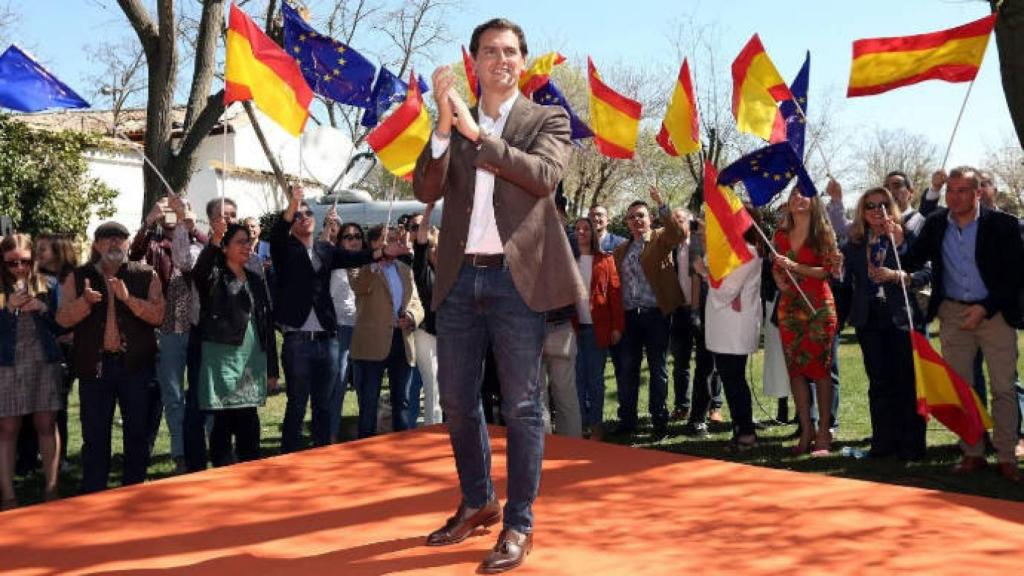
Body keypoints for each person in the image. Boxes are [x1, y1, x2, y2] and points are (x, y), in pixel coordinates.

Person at [414, 17, 581, 572]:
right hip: (459, 279)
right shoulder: (453, 123)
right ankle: (478, 500)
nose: (500, 59)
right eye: (490, 51)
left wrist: (478, 136)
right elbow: (424, 188)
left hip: (518, 282)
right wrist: (443, 127)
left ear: (523, 61)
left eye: (510, 51)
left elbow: (543, 176)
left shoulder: (546, 117)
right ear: (475, 61)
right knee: (458, 401)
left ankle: (519, 522)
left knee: (524, 406)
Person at [903, 166, 1024, 481]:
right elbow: (913, 257)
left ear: (978, 193)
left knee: (1003, 387)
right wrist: (897, 234)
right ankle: (972, 452)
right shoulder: (936, 224)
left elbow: (1015, 277)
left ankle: (1007, 456)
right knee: (961, 387)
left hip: (995, 314)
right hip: (953, 315)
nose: (954, 197)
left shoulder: (1003, 225)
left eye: (962, 191)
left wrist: (984, 308)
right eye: (950, 191)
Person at [270, 189, 404, 452]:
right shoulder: (284, 249)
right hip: (297, 342)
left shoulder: (325, 249)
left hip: (327, 341)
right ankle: (288, 458)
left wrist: (383, 251)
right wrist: (293, 203)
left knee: (324, 404)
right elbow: (277, 231)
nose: (304, 216)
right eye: (298, 214)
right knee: (297, 404)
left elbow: (356, 257)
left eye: (308, 212)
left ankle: (321, 455)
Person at [56, 222, 165, 493]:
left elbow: (158, 316)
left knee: (137, 433)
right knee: (95, 436)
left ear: (128, 244)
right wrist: (85, 303)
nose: (114, 244)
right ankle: (95, 494)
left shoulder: (145, 274)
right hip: (96, 368)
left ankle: (134, 491)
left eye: (120, 239)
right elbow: (61, 319)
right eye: (107, 240)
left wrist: (128, 300)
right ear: (96, 245)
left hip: (136, 367)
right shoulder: (78, 276)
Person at [842, 188, 929, 460]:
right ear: (862, 211)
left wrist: (899, 274)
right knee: (879, 383)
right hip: (869, 319)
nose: (877, 210)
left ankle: (911, 446)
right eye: (870, 205)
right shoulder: (854, 243)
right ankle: (883, 444)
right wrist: (836, 270)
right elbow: (844, 281)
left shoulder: (906, 236)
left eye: (883, 205)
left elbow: (927, 272)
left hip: (901, 317)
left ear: (891, 208)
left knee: (907, 382)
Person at [193, 222, 278, 466]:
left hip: (252, 358)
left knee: (248, 421)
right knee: (223, 421)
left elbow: (266, 323)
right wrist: (214, 240)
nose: (246, 246)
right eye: (239, 241)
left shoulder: (255, 278)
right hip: (222, 358)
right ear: (225, 247)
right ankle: (223, 475)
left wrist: (272, 368)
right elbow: (200, 272)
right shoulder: (214, 276)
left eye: (248, 241)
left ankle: (250, 473)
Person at [132, 194, 204, 474]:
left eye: (179, 206)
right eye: (167, 208)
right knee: (173, 396)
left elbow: (214, 254)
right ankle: (180, 454)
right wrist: (148, 221)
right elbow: (134, 256)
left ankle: (201, 445)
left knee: (201, 393)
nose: (172, 211)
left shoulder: (199, 240)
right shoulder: (153, 246)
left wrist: (189, 223)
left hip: (199, 329)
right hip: (168, 331)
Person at [772, 189, 840, 456]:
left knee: (821, 371)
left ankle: (824, 432)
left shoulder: (823, 233)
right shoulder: (779, 233)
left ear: (813, 202)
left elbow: (826, 271)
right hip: (789, 307)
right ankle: (806, 430)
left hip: (818, 309)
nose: (798, 199)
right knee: (796, 371)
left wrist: (793, 266)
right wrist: (778, 275)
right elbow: (777, 264)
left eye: (804, 196)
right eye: (793, 196)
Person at [612, 188, 684, 439]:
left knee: (658, 370)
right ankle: (627, 420)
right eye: (631, 217)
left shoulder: (661, 238)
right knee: (627, 369)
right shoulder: (621, 250)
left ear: (650, 218)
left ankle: (659, 421)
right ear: (627, 222)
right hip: (630, 317)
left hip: (656, 315)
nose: (636, 220)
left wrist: (662, 204)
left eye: (641, 215)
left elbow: (679, 232)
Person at [0, 234, 64, 510]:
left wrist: (43, 309)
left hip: (44, 362)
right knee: (7, 428)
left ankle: (51, 490)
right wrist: (6, 308)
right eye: (11, 263)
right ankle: (8, 495)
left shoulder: (49, 285)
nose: (19, 268)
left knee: (46, 425)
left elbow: (63, 325)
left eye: (24, 261)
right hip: (7, 364)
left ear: (33, 260)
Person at [350, 224, 424, 438]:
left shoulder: (405, 270)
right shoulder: (361, 267)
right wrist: (376, 260)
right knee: (369, 402)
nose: (392, 243)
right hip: (371, 345)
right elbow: (358, 286)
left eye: (393, 238)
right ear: (373, 243)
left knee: (402, 401)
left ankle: (401, 450)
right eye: (386, 239)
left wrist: (411, 317)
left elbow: (416, 303)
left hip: (402, 342)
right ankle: (366, 448)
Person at [704, 229, 763, 451]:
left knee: (734, 379)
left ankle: (747, 432)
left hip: (735, 327)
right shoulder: (723, 251)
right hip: (722, 325)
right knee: (729, 378)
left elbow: (726, 289)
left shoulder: (748, 252)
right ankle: (740, 429)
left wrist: (704, 272)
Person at [572, 217, 623, 441]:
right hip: (571, 329)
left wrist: (617, 327)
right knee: (576, 379)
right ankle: (581, 422)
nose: (582, 232)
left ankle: (596, 424)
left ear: (593, 233)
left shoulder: (605, 260)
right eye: (578, 229)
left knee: (595, 380)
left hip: (597, 329)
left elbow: (615, 294)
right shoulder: (567, 260)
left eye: (586, 229)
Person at [34, 234, 78, 471]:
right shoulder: (36, 278)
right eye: (36, 248)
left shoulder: (73, 278)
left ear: (59, 251)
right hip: (44, 345)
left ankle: (58, 458)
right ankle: (34, 456)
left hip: (66, 348)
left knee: (57, 404)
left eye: (43, 249)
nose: (37, 252)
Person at [327, 222, 364, 442]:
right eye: (348, 237)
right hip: (340, 330)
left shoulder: (370, 263)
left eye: (357, 236)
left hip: (364, 331)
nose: (353, 240)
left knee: (363, 385)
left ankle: (366, 433)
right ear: (340, 241)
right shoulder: (332, 264)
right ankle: (330, 436)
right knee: (338, 384)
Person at [668, 207, 700, 422]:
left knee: (708, 362)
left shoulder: (700, 244)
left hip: (700, 309)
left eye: (681, 220)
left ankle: (713, 406)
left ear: (690, 222)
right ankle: (682, 406)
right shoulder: (670, 247)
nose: (678, 224)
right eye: (674, 221)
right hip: (678, 311)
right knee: (680, 363)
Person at [412, 205, 442, 426]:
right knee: (433, 389)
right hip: (427, 334)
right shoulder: (421, 268)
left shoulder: (454, 270)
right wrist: (428, 213)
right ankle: (433, 432)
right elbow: (420, 245)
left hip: (453, 336)